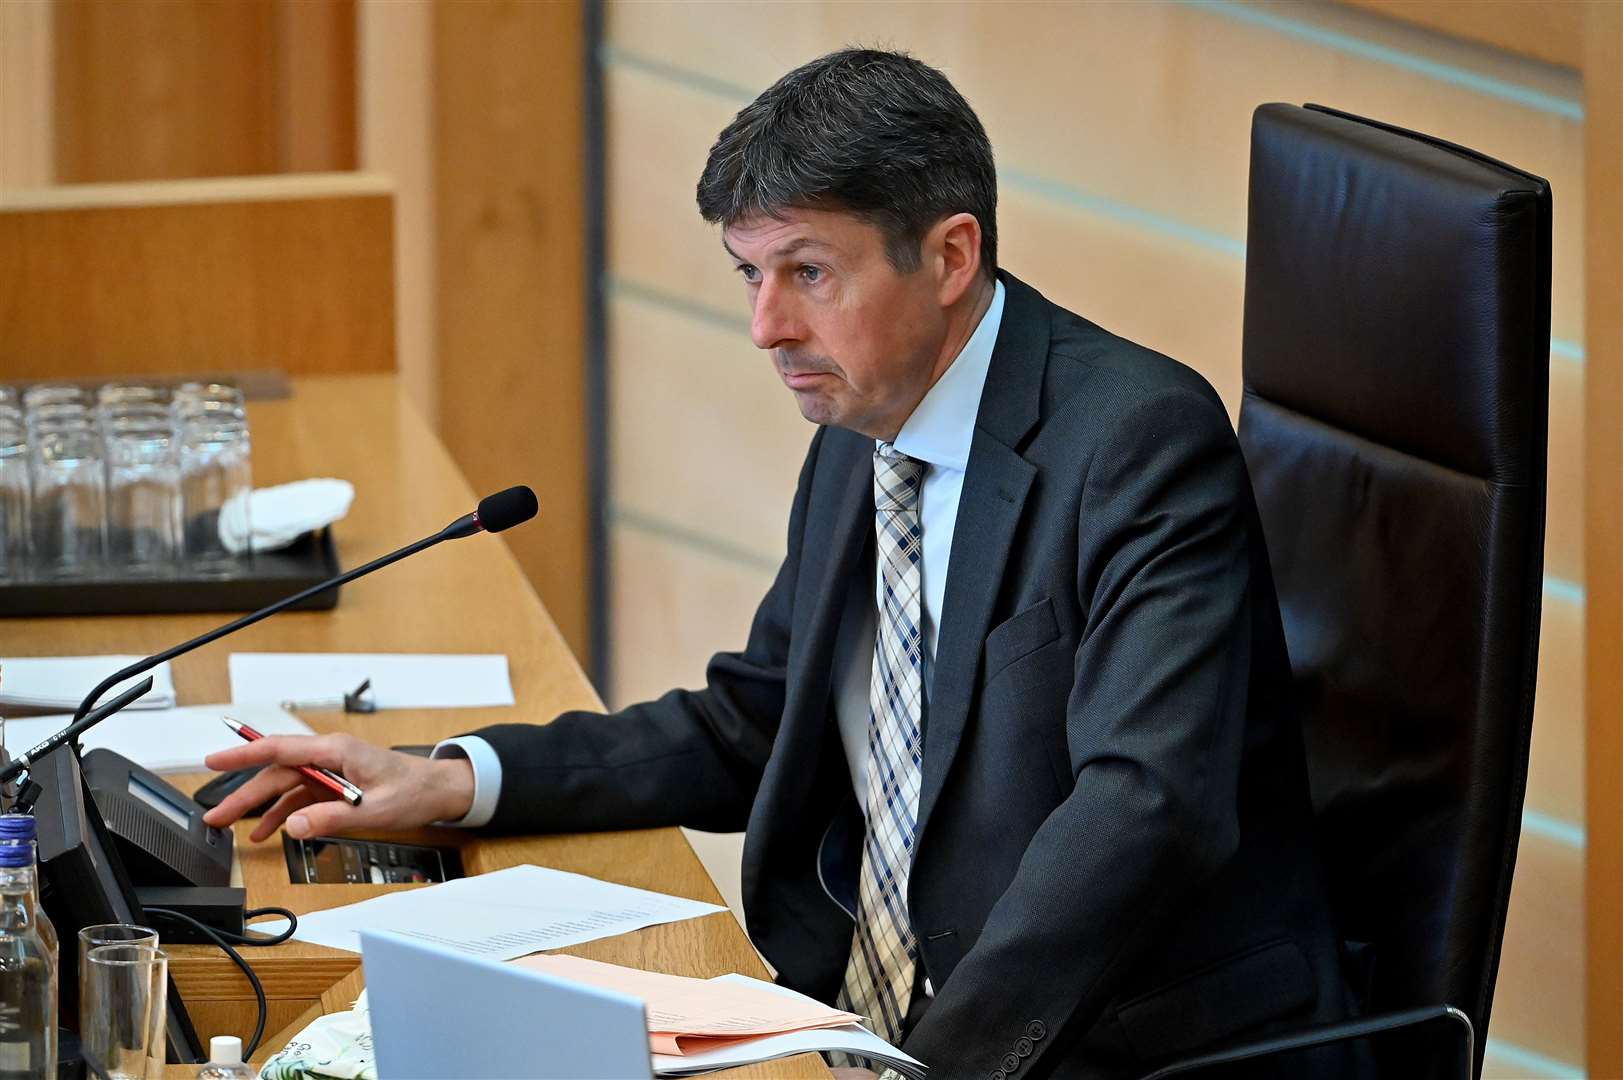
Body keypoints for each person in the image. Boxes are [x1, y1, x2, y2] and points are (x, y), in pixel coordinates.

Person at [204, 48, 1356, 1080]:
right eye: (748, 276)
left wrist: (924, 1074)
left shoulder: (1138, 443)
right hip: (851, 1011)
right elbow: (753, 724)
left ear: (951, 255)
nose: (767, 328)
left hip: (1097, 1048)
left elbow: (1144, 815)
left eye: (808, 273)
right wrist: (453, 780)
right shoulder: (866, 425)